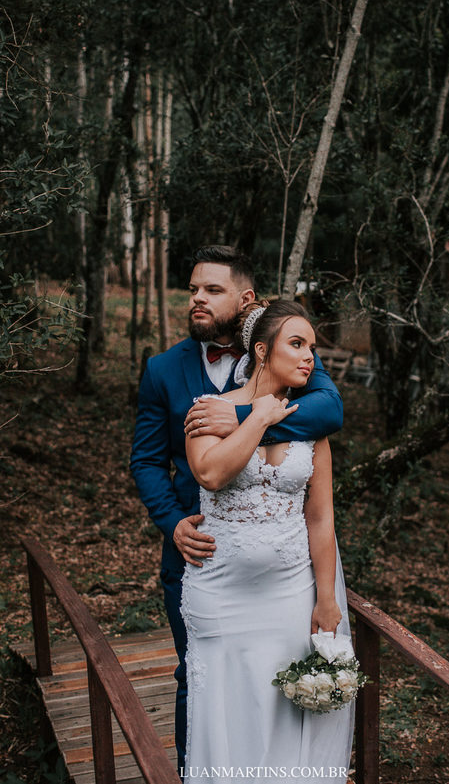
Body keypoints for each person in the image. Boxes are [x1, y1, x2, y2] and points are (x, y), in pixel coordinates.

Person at [129, 246, 343, 772]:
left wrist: (246, 416)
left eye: (212, 290)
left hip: (286, 583)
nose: (197, 299)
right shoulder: (163, 370)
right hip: (198, 558)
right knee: (198, 684)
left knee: (279, 697)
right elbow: (148, 461)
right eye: (194, 289)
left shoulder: (290, 357)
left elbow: (330, 412)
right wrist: (172, 522)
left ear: (245, 299)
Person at [180, 299, 353, 783]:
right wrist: (254, 417)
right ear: (260, 351)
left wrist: (325, 598)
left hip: (290, 596)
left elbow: (320, 520)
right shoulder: (208, 411)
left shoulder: (312, 425)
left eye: (313, 347)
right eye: (296, 344)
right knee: (226, 710)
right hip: (219, 594)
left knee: (284, 713)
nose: (310, 358)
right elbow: (211, 473)